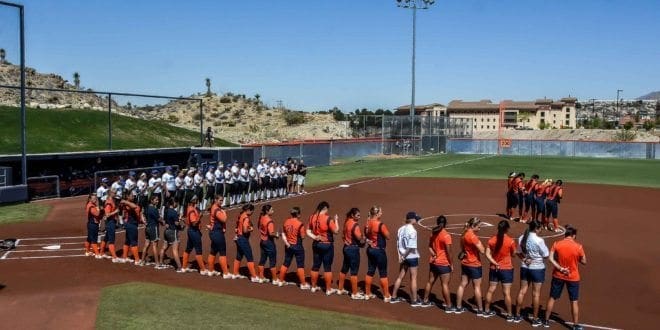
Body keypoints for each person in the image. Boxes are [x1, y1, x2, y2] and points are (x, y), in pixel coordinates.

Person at [543, 225, 586, 329]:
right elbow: (584, 261)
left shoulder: (557, 244)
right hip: (573, 277)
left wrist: (560, 268)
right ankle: (575, 325)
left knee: (552, 298)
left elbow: (550, 258)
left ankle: (546, 321)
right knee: (574, 301)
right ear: (574, 236)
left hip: (558, 275)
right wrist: (577, 259)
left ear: (565, 234)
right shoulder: (578, 247)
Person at [455, 217, 496, 315]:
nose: (480, 229)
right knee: (477, 287)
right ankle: (480, 310)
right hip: (474, 264)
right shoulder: (473, 237)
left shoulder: (463, 234)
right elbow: (482, 251)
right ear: (473, 226)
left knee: (463, 284)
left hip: (465, 263)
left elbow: (462, 248)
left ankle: (458, 306)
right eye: (478, 226)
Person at [513, 220, 549, 324]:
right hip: (537, 269)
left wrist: (524, 259)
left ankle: (517, 315)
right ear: (536, 228)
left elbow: (518, 252)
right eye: (540, 228)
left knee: (522, 291)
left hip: (525, 267)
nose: (541, 229)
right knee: (536, 294)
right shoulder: (539, 240)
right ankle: (534, 319)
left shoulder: (521, 238)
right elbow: (546, 255)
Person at [483, 220, 517, 320]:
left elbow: (487, 254)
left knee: (491, 290)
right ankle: (510, 315)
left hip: (494, 268)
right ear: (507, 229)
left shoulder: (491, 240)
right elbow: (514, 255)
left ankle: (486, 310)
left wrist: (494, 262)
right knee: (506, 293)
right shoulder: (510, 241)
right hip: (506, 269)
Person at [420, 215, 454, 311]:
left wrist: (434, 254)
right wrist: (451, 264)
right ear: (445, 224)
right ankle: (448, 306)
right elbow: (449, 252)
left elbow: (430, 246)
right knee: (445, 284)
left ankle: (425, 300)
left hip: (434, 262)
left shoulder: (433, 233)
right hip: (443, 263)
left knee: (430, 281)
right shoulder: (446, 235)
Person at [306, 201, 339, 294]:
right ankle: (328, 289)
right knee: (327, 267)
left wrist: (315, 237)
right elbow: (336, 231)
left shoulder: (312, 217)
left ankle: (313, 287)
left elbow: (308, 231)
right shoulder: (328, 219)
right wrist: (336, 220)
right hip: (327, 245)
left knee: (315, 266)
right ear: (325, 208)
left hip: (316, 244)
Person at [391, 211, 421, 306]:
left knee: (400, 277)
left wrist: (401, 256)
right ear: (411, 219)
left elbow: (398, 244)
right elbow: (411, 247)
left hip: (403, 256)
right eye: (416, 218)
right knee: (413, 278)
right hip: (411, 257)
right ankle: (415, 300)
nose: (417, 220)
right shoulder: (413, 231)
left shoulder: (401, 229)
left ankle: (394, 297)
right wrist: (404, 256)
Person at [364, 206, 391, 302]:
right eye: (380, 212)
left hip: (370, 249)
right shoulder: (380, 225)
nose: (381, 213)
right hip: (379, 251)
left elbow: (366, 235)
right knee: (383, 273)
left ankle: (367, 294)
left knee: (370, 271)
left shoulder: (367, 223)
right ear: (376, 214)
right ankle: (386, 295)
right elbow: (388, 236)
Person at [277, 207, 309, 289]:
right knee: (300, 265)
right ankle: (303, 284)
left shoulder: (286, 222)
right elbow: (302, 237)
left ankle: (280, 281)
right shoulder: (300, 224)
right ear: (298, 214)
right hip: (297, 246)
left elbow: (283, 232)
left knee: (286, 263)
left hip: (288, 245)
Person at [338, 207, 366, 300]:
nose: (359, 217)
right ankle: (354, 293)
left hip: (346, 248)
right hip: (353, 250)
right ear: (352, 215)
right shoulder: (355, 225)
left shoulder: (347, 222)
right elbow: (359, 238)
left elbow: (343, 235)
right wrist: (364, 237)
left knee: (344, 268)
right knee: (354, 272)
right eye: (357, 215)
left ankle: (340, 289)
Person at [180, 195, 209, 275]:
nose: (197, 200)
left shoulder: (190, 208)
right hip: (194, 232)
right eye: (195, 199)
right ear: (192, 200)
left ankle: (184, 268)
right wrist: (199, 217)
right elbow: (194, 223)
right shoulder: (192, 210)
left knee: (188, 249)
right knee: (198, 250)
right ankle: (202, 270)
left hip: (191, 231)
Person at [233, 204, 259, 282]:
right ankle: (254, 277)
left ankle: (235, 273)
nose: (252, 212)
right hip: (243, 239)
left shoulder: (241, 215)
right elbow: (244, 230)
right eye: (252, 211)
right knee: (249, 257)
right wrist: (250, 229)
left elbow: (237, 228)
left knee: (239, 256)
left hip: (239, 238)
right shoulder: (246, 218)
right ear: (249, 210)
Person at [206, 194, 230, 277]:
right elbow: (224, 219)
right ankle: (226, 273)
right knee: (222, 252)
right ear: (215, 200)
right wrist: (224, 212)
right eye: (220, 200)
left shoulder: (214, 207)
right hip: (217, 233)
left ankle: (210, 270)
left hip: (214, 233)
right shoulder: (216, 209)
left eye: (222, 200)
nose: (221, 202)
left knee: (213, 251)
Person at [158, 199, 183, 271]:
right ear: (174, 203)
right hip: (173, 232)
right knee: (175, 250)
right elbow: (176, 223)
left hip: (167, 231)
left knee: (164, 247)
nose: (177, 204)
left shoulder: (166, 211)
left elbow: (165, 222)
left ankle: (160, 263)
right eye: (177, 203)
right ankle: (179, 267)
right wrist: (180, 220)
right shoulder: (174, 212)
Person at [120, 191, 143, 265]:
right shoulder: (127, 204)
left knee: (128, 241)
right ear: (127, 197)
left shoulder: (125, 203)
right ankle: (137, 260)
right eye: (132, 196)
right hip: (131, 224)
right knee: (134, 241)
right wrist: (126, 201)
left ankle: (124, 257)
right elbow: (134, 207)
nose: (133, 196)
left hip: (129, 224)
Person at [139, 195, 162, 268]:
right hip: (153, 228)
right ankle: (157, 263)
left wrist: (144, 222)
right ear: (152, 201)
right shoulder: (154, 209)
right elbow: (159, 219)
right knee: (155, 245)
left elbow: (142, 214)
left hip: (148, 228)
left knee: (146, 245)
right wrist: (163, 221)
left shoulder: (147, 208)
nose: (157, 201)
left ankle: (142, 261)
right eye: (156, 200)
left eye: (158, 200)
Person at [257, 204, 279, 283]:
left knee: (262, 259)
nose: (273, 211)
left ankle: (261, 277)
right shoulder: (269, 221)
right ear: (267, 211)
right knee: (272, 260)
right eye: (271, 210)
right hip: (268, 242)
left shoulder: (262, 218)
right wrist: (276, 235)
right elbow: (271, 233)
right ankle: (274, 279)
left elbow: (259, 227)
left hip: (262, 241)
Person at [99, 189, 120, 262]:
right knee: (111, 239)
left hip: (111, 222)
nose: (115, 193)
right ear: (110, 193)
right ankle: (114, 257)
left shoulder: (111, 201)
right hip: (110, 222)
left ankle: (101, 253)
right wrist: (116, 211)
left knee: (106, 238)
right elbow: (107, 214)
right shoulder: (109, 203)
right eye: (114, 193)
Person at [84, 193, 103, 258]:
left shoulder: (91, 205)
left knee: (89, 238)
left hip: (91, 224)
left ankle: (87, 252)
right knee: (94, 239)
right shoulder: (91, 206)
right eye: (93, 198)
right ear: (90, 199)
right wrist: (100, 209)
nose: (95, 200)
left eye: (96, 198)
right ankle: (97, 254)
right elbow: (97, 214)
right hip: (93, 224)